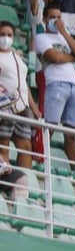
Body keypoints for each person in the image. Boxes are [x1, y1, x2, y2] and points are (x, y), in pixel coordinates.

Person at [34, 2, 75, 167]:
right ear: (44, 19)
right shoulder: (40, 37)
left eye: (58, 17)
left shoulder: (64, 35)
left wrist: (64, 32)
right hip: (55, 83)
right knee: (50, 127)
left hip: (73, 86)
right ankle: (42, 162)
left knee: (71, 133)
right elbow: (55, 57)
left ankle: (74, 169)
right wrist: (72, 58)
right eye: (52, 17)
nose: (56, 21)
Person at [0, 22, 35, 171]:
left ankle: (24, 181)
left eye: (9, 35)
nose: (6, 38)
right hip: (5, 105)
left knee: (25, 145)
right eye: (2, 34)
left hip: (22, 106)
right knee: (4, 143)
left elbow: (23, 83)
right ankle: (4, 176)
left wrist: (34, 107)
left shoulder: (17, 56)